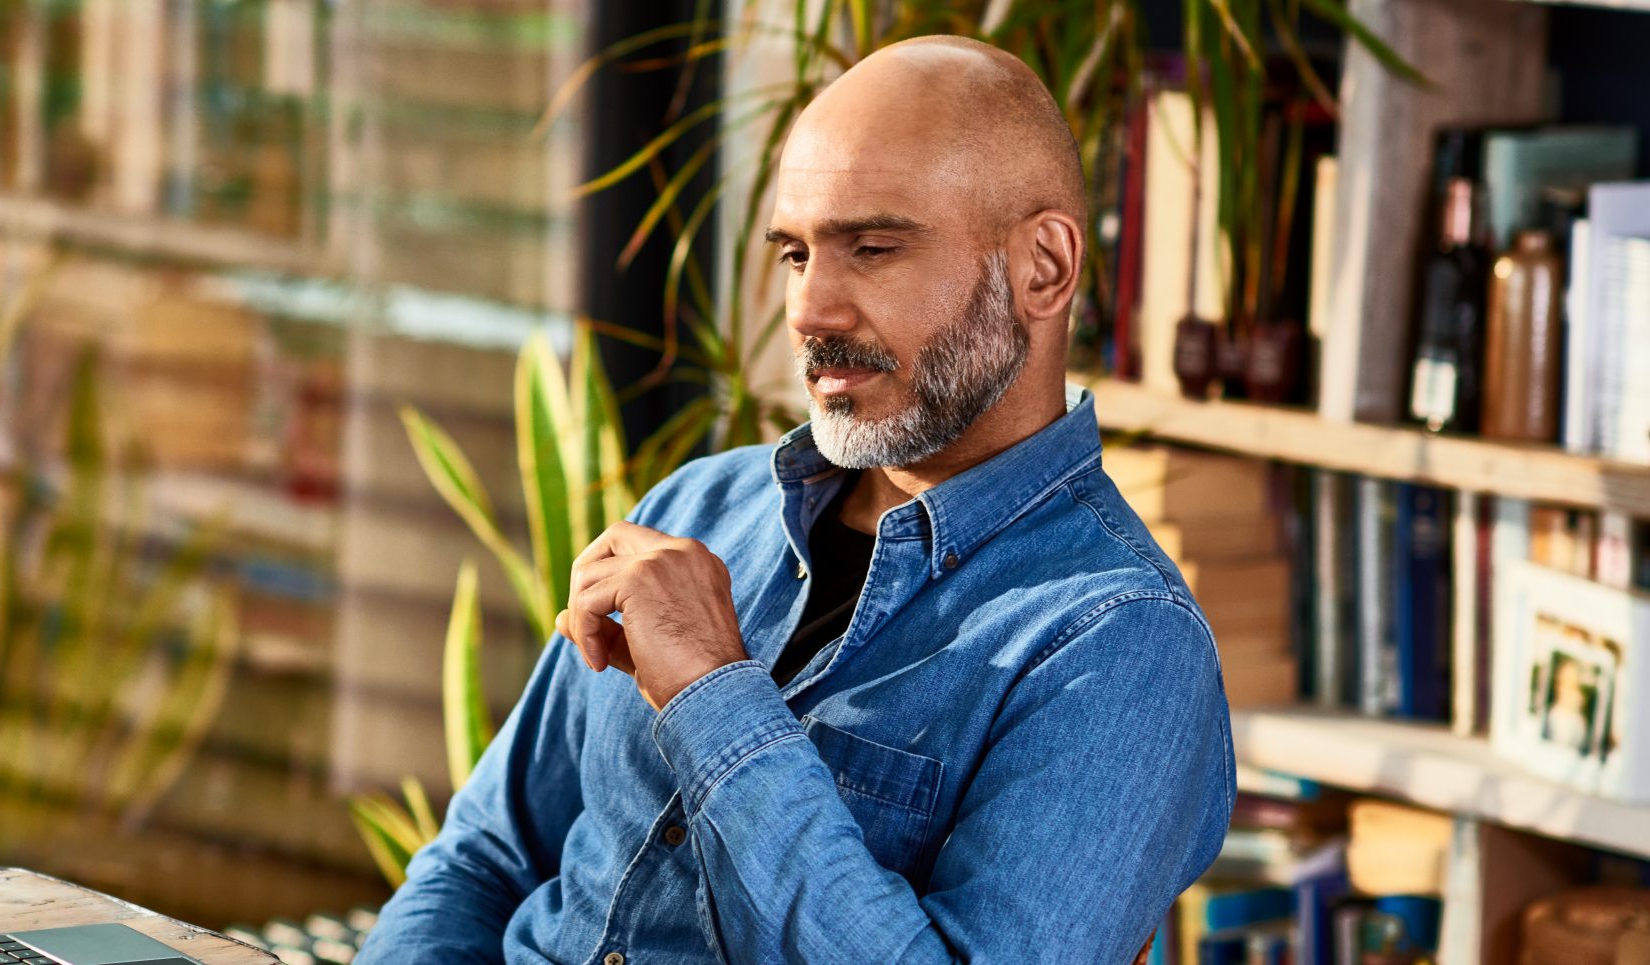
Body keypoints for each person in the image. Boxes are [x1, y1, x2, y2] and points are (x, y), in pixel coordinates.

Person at [358, 34, 1233, 963]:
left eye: (874, 247)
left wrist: (712, 692)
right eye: (794, 255)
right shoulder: (696, 507)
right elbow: (484, 860)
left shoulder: (1121, 642)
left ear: (1044, 269)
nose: (813, 310)